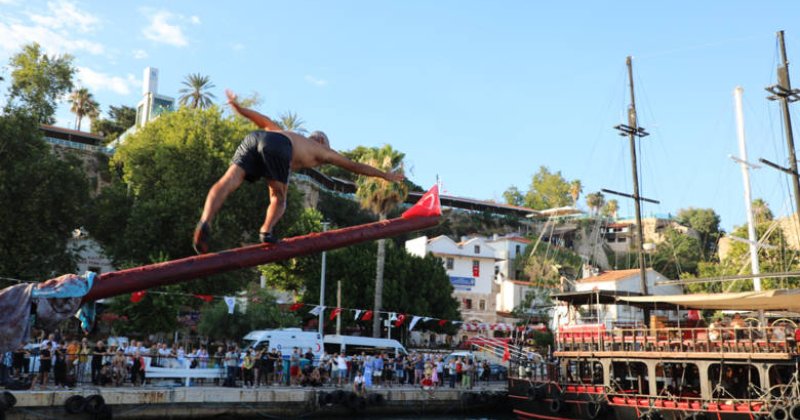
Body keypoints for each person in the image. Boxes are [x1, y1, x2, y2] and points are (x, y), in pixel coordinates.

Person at [193, 90, 405, 254]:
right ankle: (266, 232)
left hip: (255, 138)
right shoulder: (324, 151)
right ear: (324, 143)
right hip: (278, 147)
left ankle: (205, 220)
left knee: (229, 180)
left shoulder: (287, 132)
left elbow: (261, 119)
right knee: (279, 198)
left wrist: (237, 107)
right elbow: (355, 166)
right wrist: (385, 175)